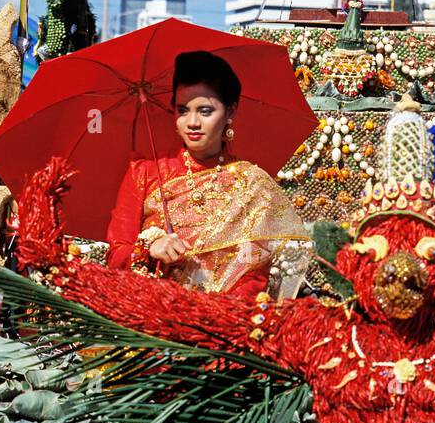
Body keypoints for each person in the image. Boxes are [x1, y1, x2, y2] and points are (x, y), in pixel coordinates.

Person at [107, 50, 307, 297]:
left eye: (204, 111)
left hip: (225, 322)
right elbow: (115, 257)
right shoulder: (145, 172)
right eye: (182, 110)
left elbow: (254, 275)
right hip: (150, 319)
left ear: (230, 112)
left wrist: (213, 314)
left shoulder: (251, 185)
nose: (192, 122)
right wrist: (150, 250)